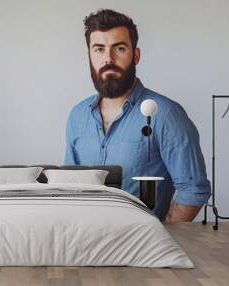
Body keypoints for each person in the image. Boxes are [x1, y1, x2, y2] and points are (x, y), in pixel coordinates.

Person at [64, 9, 211, 222]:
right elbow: (69, 187)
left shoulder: (166, 114)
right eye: (99, 49)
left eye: (119, 48)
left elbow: (193, 189)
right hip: (84, 245)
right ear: (89, 56)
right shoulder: (78, 117)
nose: (108, 59)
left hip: (140, 251)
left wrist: (159, 237)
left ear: (136, 55)